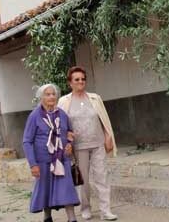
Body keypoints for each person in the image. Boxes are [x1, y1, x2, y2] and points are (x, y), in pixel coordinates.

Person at [58, 66, 118, 221]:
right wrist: (66, 141)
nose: (81, 82)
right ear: (70, 82)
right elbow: (60, 124)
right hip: (79, 147)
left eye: (83, 79)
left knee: (102, 177)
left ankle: (106, 210)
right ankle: (85, 209)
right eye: (77, 79)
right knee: (83, 180)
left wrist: (108, 136)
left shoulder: (94, 98)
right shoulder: (64, 101)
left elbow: (104, 119)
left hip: (98, 143)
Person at [23, 83, 79, 222]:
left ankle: (72, 218)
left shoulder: (62, 114)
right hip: (42, 160)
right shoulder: (34, 116)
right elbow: (27, 141)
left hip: (62, 159)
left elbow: (70, 133)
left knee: (66, 188)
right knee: (45, 189)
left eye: (53, 94)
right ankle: (47, 217)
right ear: (41, 97)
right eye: (47, 94)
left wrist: (70, 144)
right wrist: (33, 164)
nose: (51, 97)